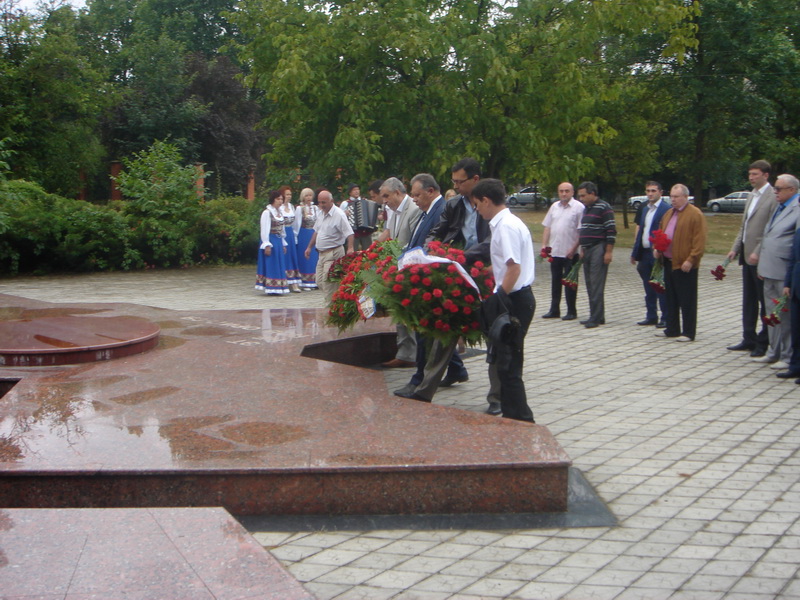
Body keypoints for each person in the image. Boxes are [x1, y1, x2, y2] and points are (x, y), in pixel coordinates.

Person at [472, 179, 535, 423]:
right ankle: (513, 416)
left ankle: (522, 419)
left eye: (477, 204)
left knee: (509, 366)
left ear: (486, 200)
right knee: (505, 363)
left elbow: (513, 269)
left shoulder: (506, 226)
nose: (477, 210)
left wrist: (498, 301)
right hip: (516, 297)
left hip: (515, 300)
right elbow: (503, 265)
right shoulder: (506, 223)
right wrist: (480, 272)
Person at [393, 173, 456, 402]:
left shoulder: (441, 210)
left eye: (417, 194)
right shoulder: (426, 210)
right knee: (431, 332)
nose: (414, 199)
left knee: (423, 332)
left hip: (429, 279)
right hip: (419, 273)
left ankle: (419, 378)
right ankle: (457, 369)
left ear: (431, 191)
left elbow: (434, 245)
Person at [726, 160, 775, 357]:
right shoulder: (751, 196)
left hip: (760, 257)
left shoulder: (772, 197)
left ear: (765, 175)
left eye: (755, 174)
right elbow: (744, 226)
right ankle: (748, 337)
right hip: (746, 255)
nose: (751, 178)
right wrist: (735, 248)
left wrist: (757, 250)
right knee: (749, 299)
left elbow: (769, 230)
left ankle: (763, 341)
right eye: (750, 174)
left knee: (763, 300)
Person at [377, 177, 422, 369]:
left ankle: (413, 355)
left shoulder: (413, 209)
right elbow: (390, 234)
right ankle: (406, 354)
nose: (384, 200)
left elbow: (413, 240)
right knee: (400, 311)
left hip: (411, 267)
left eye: (386, 196)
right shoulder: (393, 210)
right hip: (398, 267)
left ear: (398, 192)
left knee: (410, 314)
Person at [756, 175, 800, 370]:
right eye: (775, 189)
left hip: (784, 270)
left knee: (785, 315)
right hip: (768, 268)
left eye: (779, 189)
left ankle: (787, 355)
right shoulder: (778, 207)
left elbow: (795, 243)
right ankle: (773, 351)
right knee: (770, 313)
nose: (776, 192)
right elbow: (768, 236)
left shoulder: (797, 208)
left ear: (792, 190)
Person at [653, 184, 707, 341]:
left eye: (676, 197)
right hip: (669, 261)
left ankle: (688, 332)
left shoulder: (695, 214)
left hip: (684, 264)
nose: (673, 200)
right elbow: (661, 233)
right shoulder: (669, 213)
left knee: (687, 299)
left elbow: (699, 240)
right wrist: (658, 248)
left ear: (685, 197)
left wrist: (691, 259)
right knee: (671, 298)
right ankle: (672, 328)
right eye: (671, 197)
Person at [541, 182, 583, 321]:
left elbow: (580, 231)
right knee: (555, 281)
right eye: (561, 191)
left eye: (567, 191)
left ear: (572, 192)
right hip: (555, 251)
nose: (564, 194)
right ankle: (554, 309)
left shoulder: (578, 208)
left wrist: (574, 248)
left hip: (570, 252)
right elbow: (547, 227)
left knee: (570, 282)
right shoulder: (554, 207)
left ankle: (571, 310)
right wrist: (544, 245)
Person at [630, 181, 670, 327]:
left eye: (653, 191)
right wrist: (635, 252)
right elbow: (641, 231)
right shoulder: (645, 209)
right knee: (648, 287)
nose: (650, 194)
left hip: (658, 253)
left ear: (660, 192)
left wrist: (660, 249)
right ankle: (651, 315)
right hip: (645, 252)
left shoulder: (666, 209)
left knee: (660, 285)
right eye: (648, 191)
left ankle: (665, 317)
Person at [577, 182, 615, 328]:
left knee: (596, 283)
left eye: (583, 195)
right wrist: (582, 248)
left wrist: (608, 251)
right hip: (587, 248)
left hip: (599, 247)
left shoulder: (604, 207)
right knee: (589, 283)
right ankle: (598, 315)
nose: (581, 198)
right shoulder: (587, 208)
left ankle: (596, 316)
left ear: (592, 193)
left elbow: (611, 230)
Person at [305, 190, 354, 303]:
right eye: (319, 202)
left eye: (324, 202)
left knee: (328, 284)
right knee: (319, 281)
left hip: (334, 253)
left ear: (331, 201)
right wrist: (309, 247)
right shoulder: (321, 213)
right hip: (321, 254)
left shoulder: (339, 214)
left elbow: (349, 233)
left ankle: (330, 310)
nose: (321, 205)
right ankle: (337, 299)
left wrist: (350, 248)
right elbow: (316, 231)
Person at [255, 190, 290, 296]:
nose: (280, 201)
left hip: (278, 240)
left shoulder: (280, 213)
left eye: (281, 199)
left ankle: (278, 286)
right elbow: (264, 229)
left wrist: (283, 242)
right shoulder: (267, 213)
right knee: (272, 263)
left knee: (279, 263)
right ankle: (271, 287)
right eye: (278, 199)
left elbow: (282, 229)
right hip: (271, 239)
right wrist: (266, 244)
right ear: (273, 199)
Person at [293, 188, 319, 289]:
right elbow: (297, 223)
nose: (308, 198)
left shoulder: (315, 208)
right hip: (304, 234)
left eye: (310, 195)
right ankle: (304, 281)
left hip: (314, 234)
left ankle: (315, 280)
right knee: (305, 257)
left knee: (314, 257)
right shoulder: (300, 208)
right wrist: (296, 236)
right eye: (306, 196)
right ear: (303, 197)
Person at [278, 186, 302, 293]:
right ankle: (284, 281)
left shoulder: (292, 207)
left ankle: (294, 282)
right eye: (287, 194)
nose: (289, 196)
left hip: (291, 234)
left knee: (292, 257)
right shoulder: (280, 208)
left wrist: (295, 235)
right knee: (285, 257)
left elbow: (295, 223)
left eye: (290, 194)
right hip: (283, 234)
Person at [341, 183, 376, 251]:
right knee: (353, 252)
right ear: (350, 192)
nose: (357, 191)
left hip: (365, 231)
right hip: (353, 231)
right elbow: (340, 216)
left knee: (368, 251)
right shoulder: (345, 203)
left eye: (358, 189)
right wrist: (344, 213)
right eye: (354, 190)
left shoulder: (365, 201)